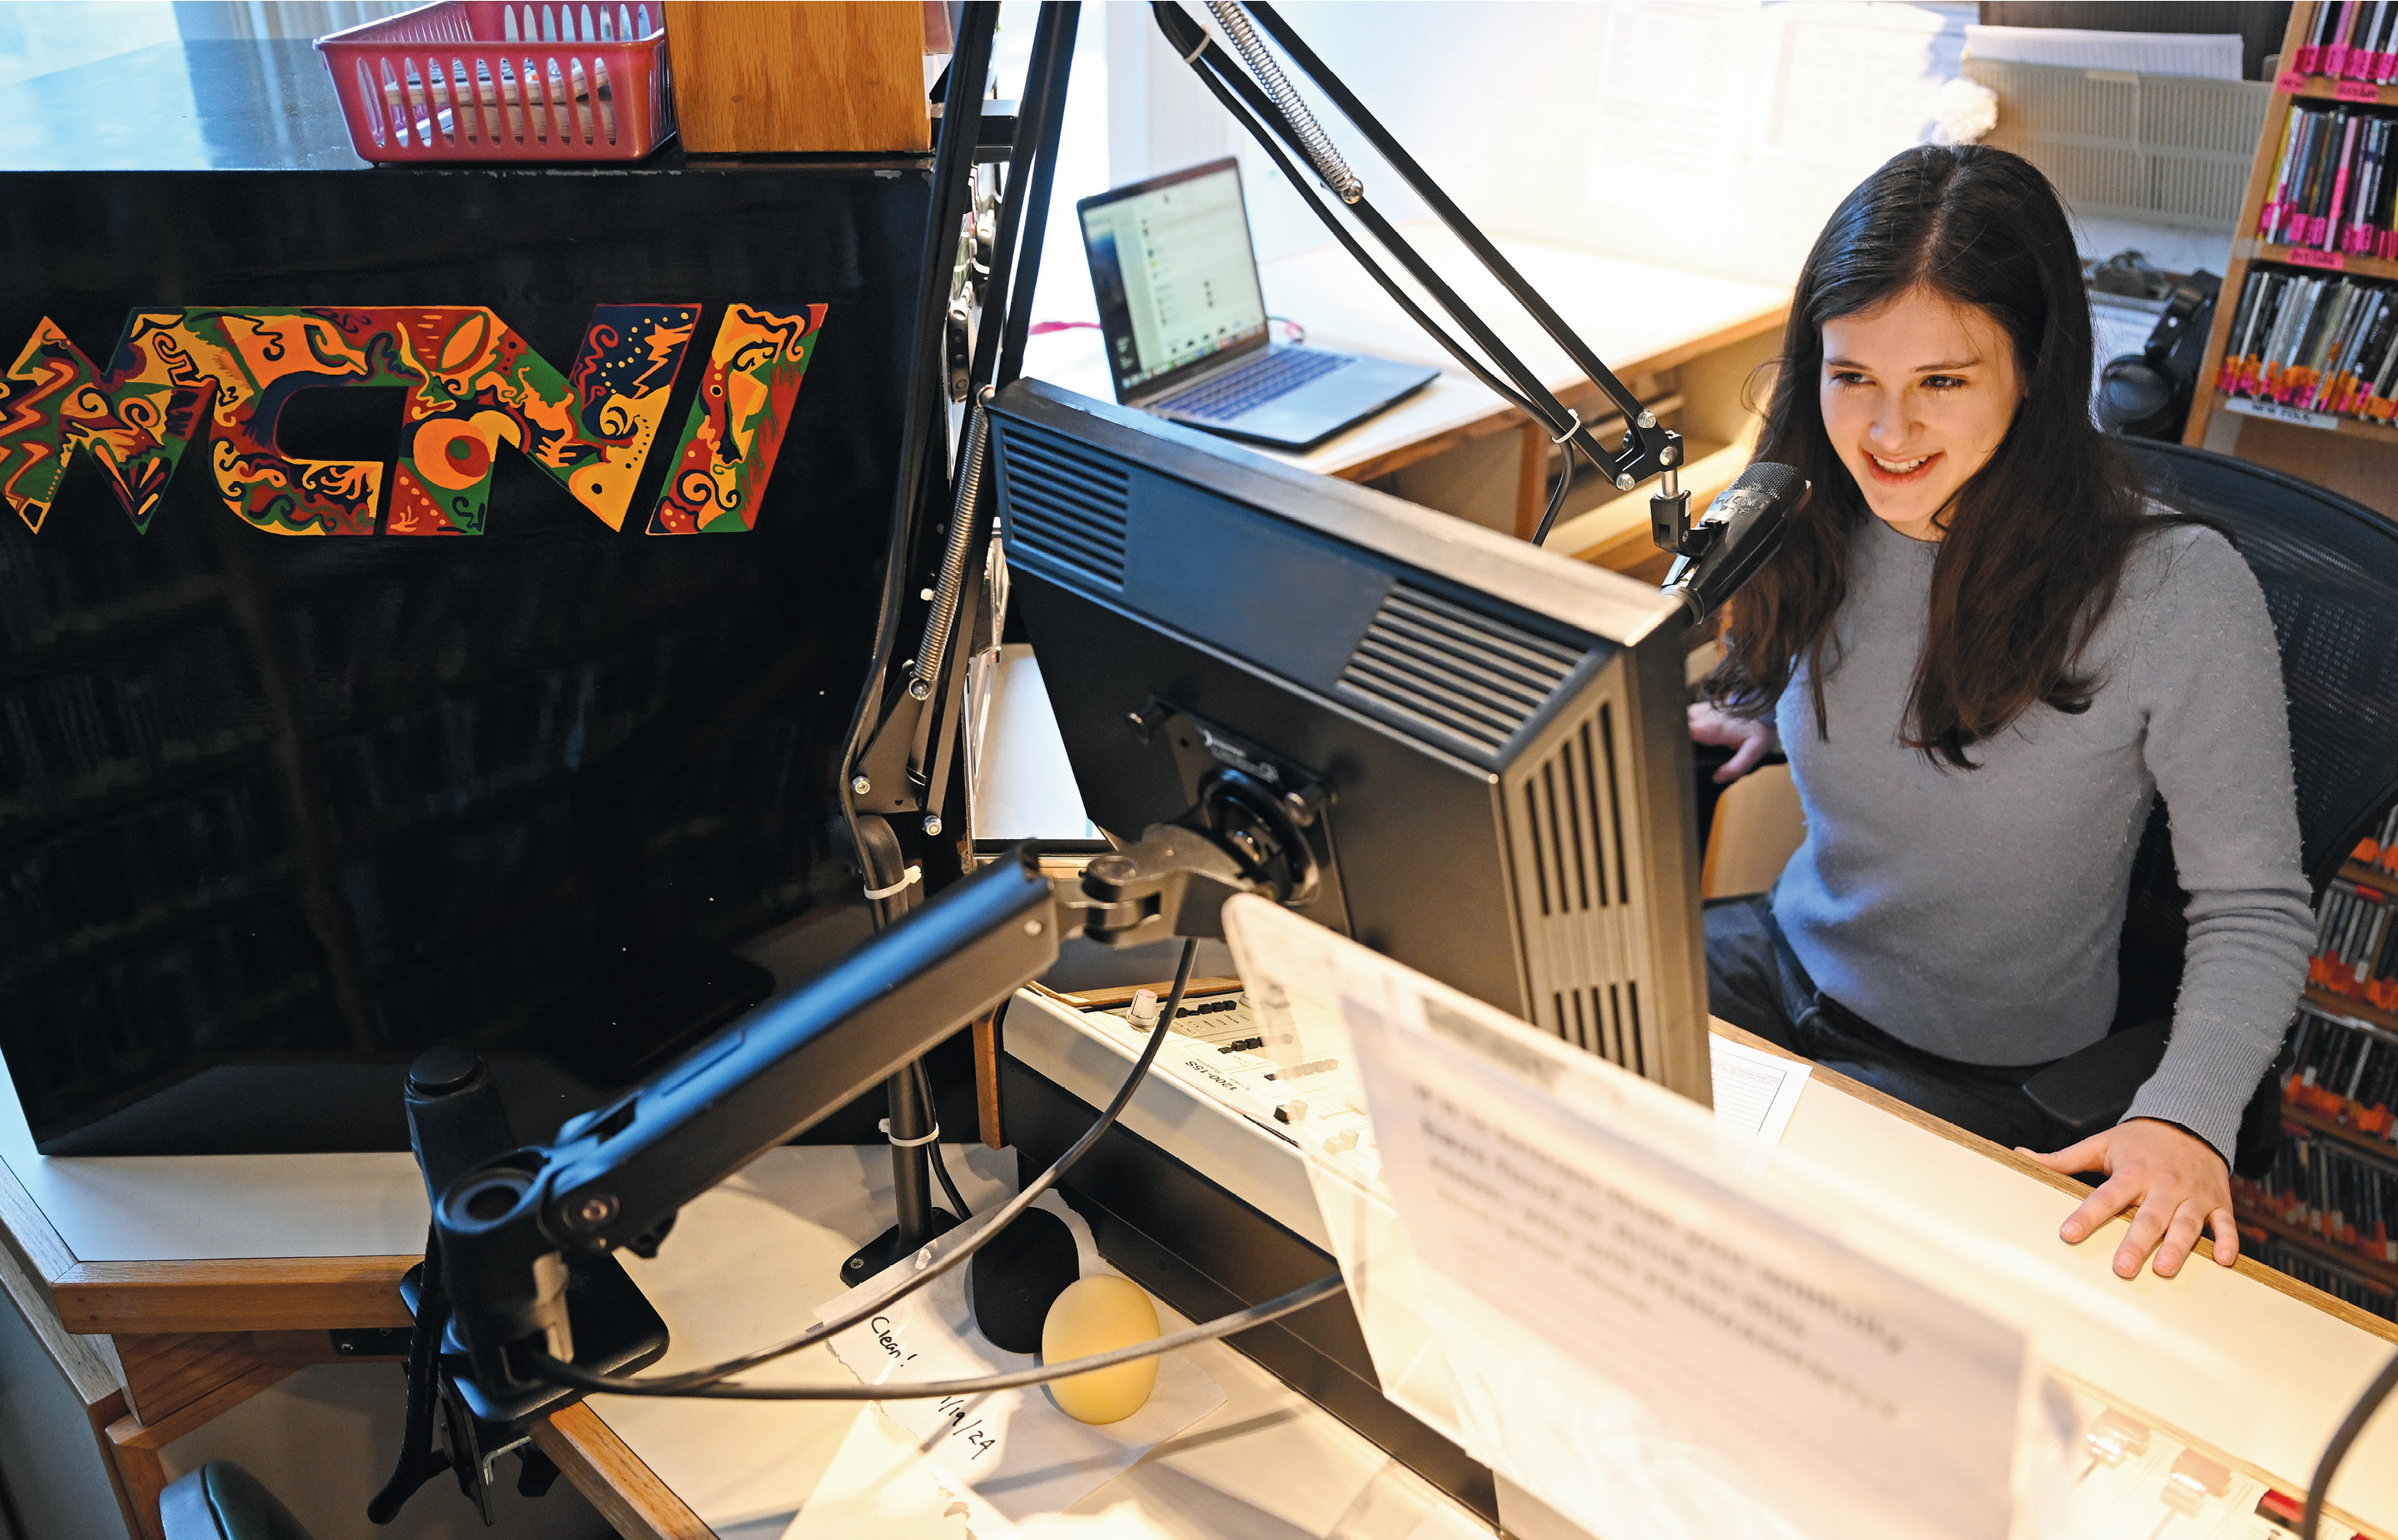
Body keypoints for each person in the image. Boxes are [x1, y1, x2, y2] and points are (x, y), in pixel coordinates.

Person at [1690, 143, 2312, 1283]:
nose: (1887, 433)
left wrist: (2186, 1114)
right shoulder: (1812, 512)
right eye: (1852, 377)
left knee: (1767, 1286)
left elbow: (2258, 907)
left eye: (1942, 381)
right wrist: (1779, 721)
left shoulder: (2174, 592)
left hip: (1974, 1065)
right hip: (1783, 964)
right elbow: (1887, 679)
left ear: (2032, 368)